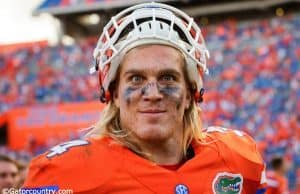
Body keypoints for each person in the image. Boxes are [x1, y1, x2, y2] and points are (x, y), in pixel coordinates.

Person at [23, 2, 266, 193]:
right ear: (114, 93)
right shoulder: (65, 172)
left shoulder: (235, 157)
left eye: (168, 78)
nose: (152, 94)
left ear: (191, 93)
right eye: (136, 79)